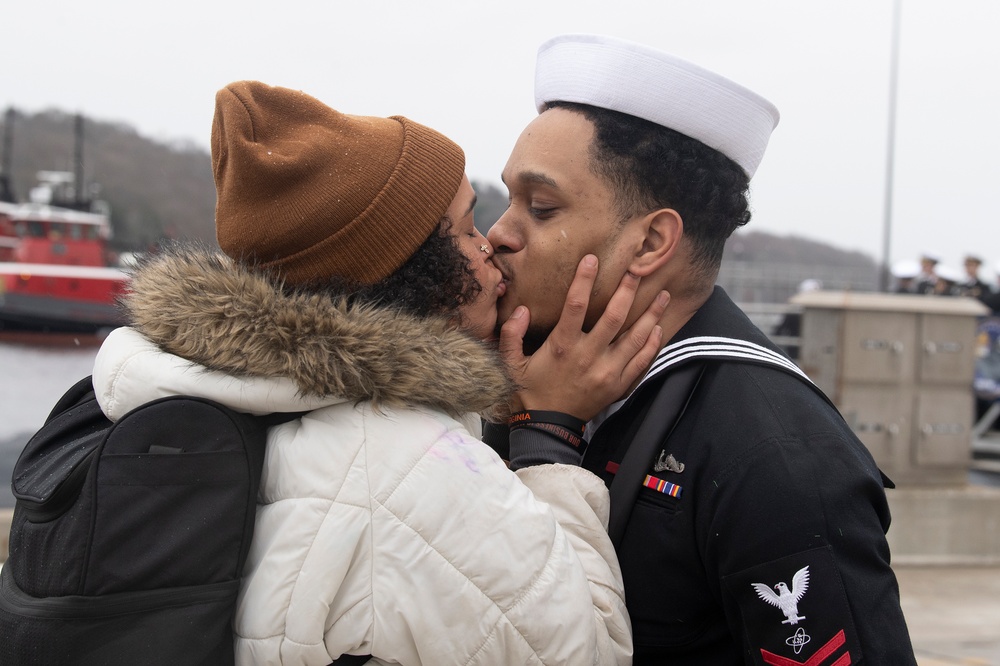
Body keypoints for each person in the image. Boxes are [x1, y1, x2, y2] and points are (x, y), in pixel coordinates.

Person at [89, 80, 668, 665]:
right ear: (412, 273)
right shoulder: (406, 466)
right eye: (467, 229)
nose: (491, 243)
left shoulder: (199, 388)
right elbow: (589, 653)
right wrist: (549, 432)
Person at [484, 34, 916, 664]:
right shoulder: (523, 375)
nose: (500, 232)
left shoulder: (775, 456)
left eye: (542, 207)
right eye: (509, 199)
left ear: (652, 241)